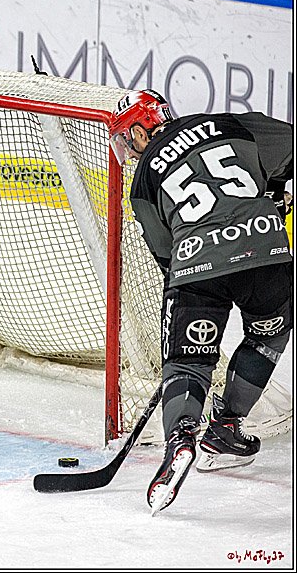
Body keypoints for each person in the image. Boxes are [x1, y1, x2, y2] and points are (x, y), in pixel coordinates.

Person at [110, 89, 292, 514]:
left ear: (141, 130)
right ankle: (225, 428)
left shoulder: (142, 179)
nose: (127, 149)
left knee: (187, 364)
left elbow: (166, 256)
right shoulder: (228, 123)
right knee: (268, 334)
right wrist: (275, 189)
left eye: (125, 137)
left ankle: (180, 439)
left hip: (196, 267)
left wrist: (190, 298)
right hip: (266, 253)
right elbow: (290, 145)